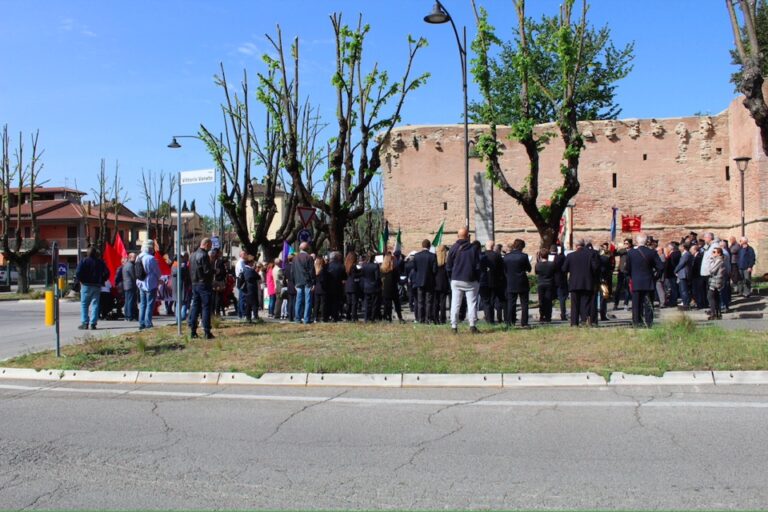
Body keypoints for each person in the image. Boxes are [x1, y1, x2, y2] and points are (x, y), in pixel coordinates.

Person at [446, 227, 482, 334]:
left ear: (458, 236)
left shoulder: (453, 248)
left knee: (455, 303)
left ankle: (454, 326)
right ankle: (472, 325)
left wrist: (452, 277)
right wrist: (477, 278)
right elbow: (478, 266)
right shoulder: (474, 249)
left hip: (456, 279)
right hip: (470, 279)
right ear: (468, 237)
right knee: (472, 303)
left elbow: (448, 266)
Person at [625, 233, 664, 327]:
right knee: (648, 303)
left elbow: (627, 269)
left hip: (636, 281)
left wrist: (631, 277)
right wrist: (655, 277)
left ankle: (637, 322)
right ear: (646, 241)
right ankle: (648, 322)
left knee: (636, 304)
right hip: (648, 281)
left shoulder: (631, 253)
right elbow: (661, 267)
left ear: (637, 241)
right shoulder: (652, 252)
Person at [562, 239, 599, 327]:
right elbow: (595, 268)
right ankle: (584, 320)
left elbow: (564, 269)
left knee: (574, 304)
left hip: (574, 282)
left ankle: (574, 322)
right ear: (583, 245)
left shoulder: (570, 256)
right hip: (587, 282)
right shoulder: (590, 255)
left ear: (576, 246)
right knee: (585, 302)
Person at [75, 246, 110, 330]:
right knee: (95, 304)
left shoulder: (83, 261)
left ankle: (85, 323)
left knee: (84, 304)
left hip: (86, 285)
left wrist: (81, 280)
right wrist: (102, 280)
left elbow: (78, 272)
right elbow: (107, 273)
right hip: (96, 285)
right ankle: (93, 323)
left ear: (87, 253)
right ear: (95, 253)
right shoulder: (100, 262)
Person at [188, 238, 214, 339]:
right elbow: (207, 271)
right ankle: (207, 331)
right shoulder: (204, 255)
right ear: (206, 244)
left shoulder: (193, 255)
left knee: (195, 306)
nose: (211, 247)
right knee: (206, 307)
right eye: (210, 245)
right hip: (203, 284)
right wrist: (214, 271)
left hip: (194, 283)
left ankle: (193, 330)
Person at [503, 239, 531, 328]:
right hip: (522, 281)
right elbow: (529, 269)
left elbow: (504, 270)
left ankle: (510, 321)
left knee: (511, 303)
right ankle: (524, 322)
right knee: (524, 303)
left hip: (510, 281)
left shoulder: (506, 257)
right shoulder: (524, 256)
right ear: (522, 247)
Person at [135, 240, 161, 331]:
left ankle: (141, 323)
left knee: (142, 304)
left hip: (140, 283)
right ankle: (148, 323)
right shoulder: (151, 258)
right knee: (150, 304)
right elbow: (157, 272)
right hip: (150, 283)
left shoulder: (138, 257)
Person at [411, 239, 437, 323]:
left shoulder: (416, 256)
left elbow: (415, 268)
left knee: (420, 301)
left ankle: (420, 318)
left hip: (419, 281)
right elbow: (434, 270)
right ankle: (428, 318)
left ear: (422, 246)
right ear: (429, 246)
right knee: (429, 301)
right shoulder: (432, 256)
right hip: (429, 281)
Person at [480, 240, 505, 324]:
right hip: (494, 281)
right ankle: (492, 319)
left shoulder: (481, 255)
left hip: (483, 281)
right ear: (493, 246)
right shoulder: (497, 255)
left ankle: (489, 319)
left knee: (485, 301)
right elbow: (502, 269)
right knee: (492, 300)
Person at [292, 242, 315, 324]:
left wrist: (294, 282)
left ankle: (297, 318)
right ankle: (306, 319)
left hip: (298, 281)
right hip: (307, 281)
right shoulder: (309, 257)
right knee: (308, 300)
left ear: (300, 248)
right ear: (307, 248)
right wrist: (313, 282)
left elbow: (293, 271)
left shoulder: (295, 258)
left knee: (298, 300)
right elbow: (312, 271)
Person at [380, 252, 404, 322]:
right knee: (397, 304)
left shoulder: (382, 270)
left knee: (387, 304)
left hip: (385, 289)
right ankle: (400, 318)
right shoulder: (394, 270)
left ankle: (388, 317)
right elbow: (398, 280)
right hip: (393, 289)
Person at [535, 248, 557, 323]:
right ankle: (548, 316)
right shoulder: (552, 264)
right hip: (549, 283)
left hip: (541, 283)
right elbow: (554, 272)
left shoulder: (538, 265)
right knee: (548, 300)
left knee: (541, 300)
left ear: (540, 256)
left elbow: (537, 272)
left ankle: (542, 315)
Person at [707, 247, 727, 320]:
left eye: (714, 252)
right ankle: (718, 313)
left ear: (719, 253)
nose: (712, 253)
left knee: (710, 296)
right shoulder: (718, 260)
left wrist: (711, 260)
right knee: (716, 296)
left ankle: (713, 313)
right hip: (715, 280)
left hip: (716, 281)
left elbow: (712, 270)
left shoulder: (719, 260)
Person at [360, 252, 381, 322]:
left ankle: (366, 317)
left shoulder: (364, 265)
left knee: (367, 303)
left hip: (366, 286)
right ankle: (372, 318)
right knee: (374, 303)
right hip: (374, 286)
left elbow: (362, 275)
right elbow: (377, 277)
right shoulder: (375, 266)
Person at [326, 252, 346, 322]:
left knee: (328, 302)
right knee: (336, 302)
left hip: (328, 287)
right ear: (337, 258)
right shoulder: (341, 266)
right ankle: (335, 316)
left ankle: (328, 315)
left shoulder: (326, 266)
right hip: (338, 286)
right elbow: (344, 277)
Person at [433, 245, 450, 324]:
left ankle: (435, 318)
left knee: (436, 302)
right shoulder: (446, 263)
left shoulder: (434, 261)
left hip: (435, 284)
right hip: (444, 284)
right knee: (443, 302)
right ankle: (443, 319)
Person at [613, 238, 632, 311]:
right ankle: (615, 304)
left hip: (628, 272)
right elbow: (615, 254)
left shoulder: (632, 251)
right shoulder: (622, 251)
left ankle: (626, 304)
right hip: (621, 272)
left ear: (630, 244)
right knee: (618, 289)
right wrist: (615, 248)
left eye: (627, 243)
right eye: (625, 243)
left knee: (627, 289)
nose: (626, 245)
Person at [675, 242, 693, 310]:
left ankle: (686, 303)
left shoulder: (686, 254)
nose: (679, 248)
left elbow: (681, 264)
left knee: (684, 290)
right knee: (683, 289)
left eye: (680, 247)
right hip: (682, 273)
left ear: (683, 247)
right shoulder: (684, 254)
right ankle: (684, 301)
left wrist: (675, 270)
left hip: (684, 274)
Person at [121, 253, 138, 321]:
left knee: (128, 301)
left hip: (126, 285)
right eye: (134, 257)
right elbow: (133, 276)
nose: (135, 259)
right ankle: (130, 316)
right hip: (131, 285)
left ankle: (127, 315)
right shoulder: (130, 265)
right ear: (130, 257)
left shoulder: (125, 265)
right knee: (130, 301)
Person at [344, 251, 360, 322]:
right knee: (354, 302)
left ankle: (348, 316)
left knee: (349, 302)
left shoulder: (346, 266)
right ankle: (354, 316)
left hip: (347, 286)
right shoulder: (353, 267)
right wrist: (361, 272)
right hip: (353, 285)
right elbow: (354, 275)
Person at [313, 256, 329, 322]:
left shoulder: (315, 271)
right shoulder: (323, 271)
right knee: (323, 304)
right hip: (323, 289)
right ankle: (323, 317)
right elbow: (323, 280)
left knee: (316, 304)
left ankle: (315, 317)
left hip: (317, 288)